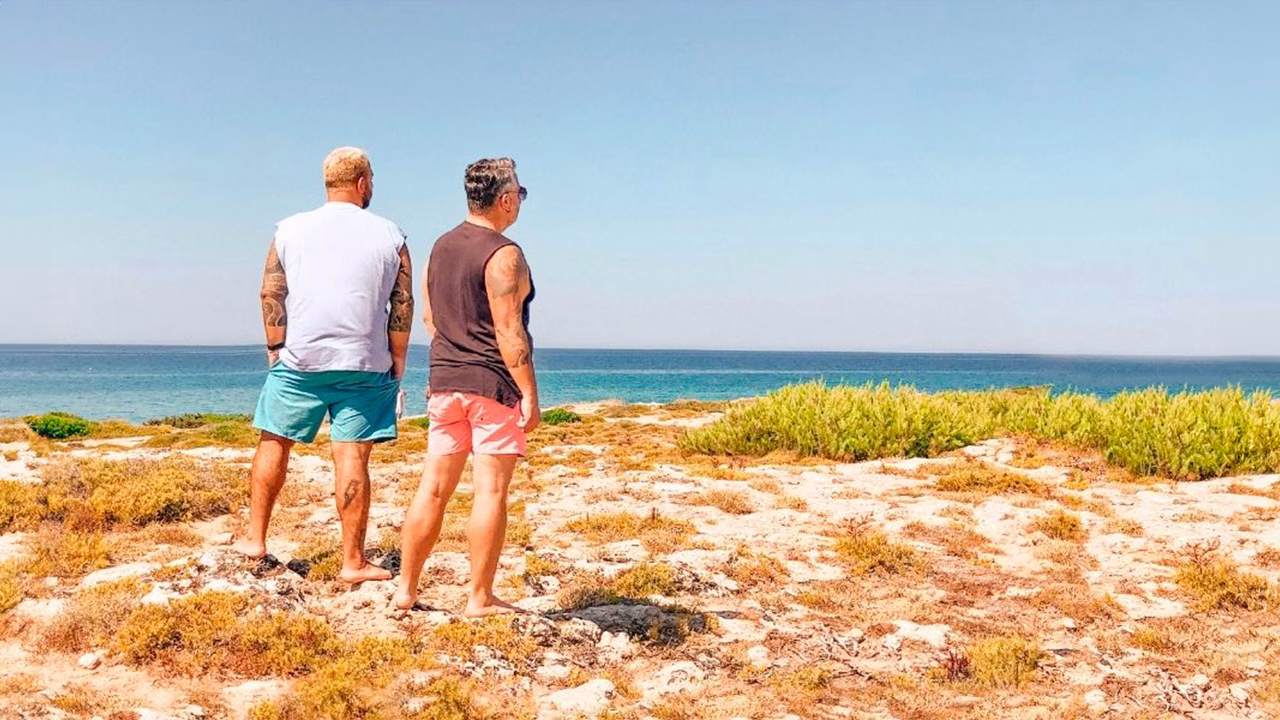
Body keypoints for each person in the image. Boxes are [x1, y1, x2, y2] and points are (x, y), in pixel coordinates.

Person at [232, 147, 413, 584]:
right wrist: (398, 358)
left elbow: (271, 292)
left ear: (327, 182)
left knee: (274, 441)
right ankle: (352, 561)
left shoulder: (289, 229)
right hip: (365, 363)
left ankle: (255, 538)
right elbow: (401, 303)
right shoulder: (391, 234)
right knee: (351, 456)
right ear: (364, 183)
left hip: (300, 358)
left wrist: (275, 346)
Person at [394, 157, 537, 616]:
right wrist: (529, 393)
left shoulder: (440, 247)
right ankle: (480, 596)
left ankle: (406, 590)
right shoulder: (504, 253)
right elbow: (509, 331)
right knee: (490, 492)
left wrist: (446, 368)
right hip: (490, 385)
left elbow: (433, 320)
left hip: (444, 381)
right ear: (506, 199)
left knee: (433, 489)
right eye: (521, 194)